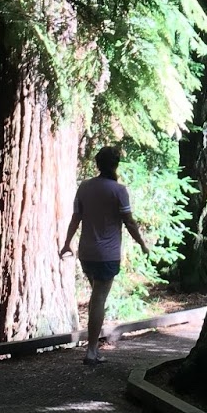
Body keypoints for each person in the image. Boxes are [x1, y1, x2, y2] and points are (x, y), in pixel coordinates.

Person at [60, 146, 148, 365]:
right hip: (107, 255)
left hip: (86, 253)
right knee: (99, 299)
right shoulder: (119, 190)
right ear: (116, 164)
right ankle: (91, 351)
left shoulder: (84, 187)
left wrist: (67, 243)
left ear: (98, 164)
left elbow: (76, 217)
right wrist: (142, 243)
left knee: (96, 297)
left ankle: (93, 349)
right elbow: (129, 222)